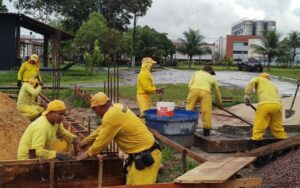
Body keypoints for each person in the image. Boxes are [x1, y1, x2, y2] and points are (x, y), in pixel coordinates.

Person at [77, 92, 162, 185]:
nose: (96, 114)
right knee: (129, 184)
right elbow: (102, 128)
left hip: (147, 154)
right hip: (139, 154)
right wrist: (85, 141)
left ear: (99, 107)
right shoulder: (117, 107)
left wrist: (86, 154)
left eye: (95, 111)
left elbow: (101, 143)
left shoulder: (111, 115)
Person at [244, 73, 287, 148]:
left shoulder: (259, 79)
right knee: (277, 125)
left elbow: (251, 82)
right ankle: (283, 142)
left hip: (265, 104)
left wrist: (247, 94)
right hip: (277, 105)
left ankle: (256, 143)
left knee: (259, 124)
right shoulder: (272, 84)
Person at [185, 65, 222, 136]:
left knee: (188, 109)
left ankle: (186, 126)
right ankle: (206, 132)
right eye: (211, 73)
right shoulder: (213, 78)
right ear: (210, 71)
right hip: (206, 92)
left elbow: (189, 85)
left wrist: (196, 95)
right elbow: (217, 92)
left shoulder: (196, 73)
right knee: (206, 112)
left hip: (193, 90)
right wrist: (219, 102)